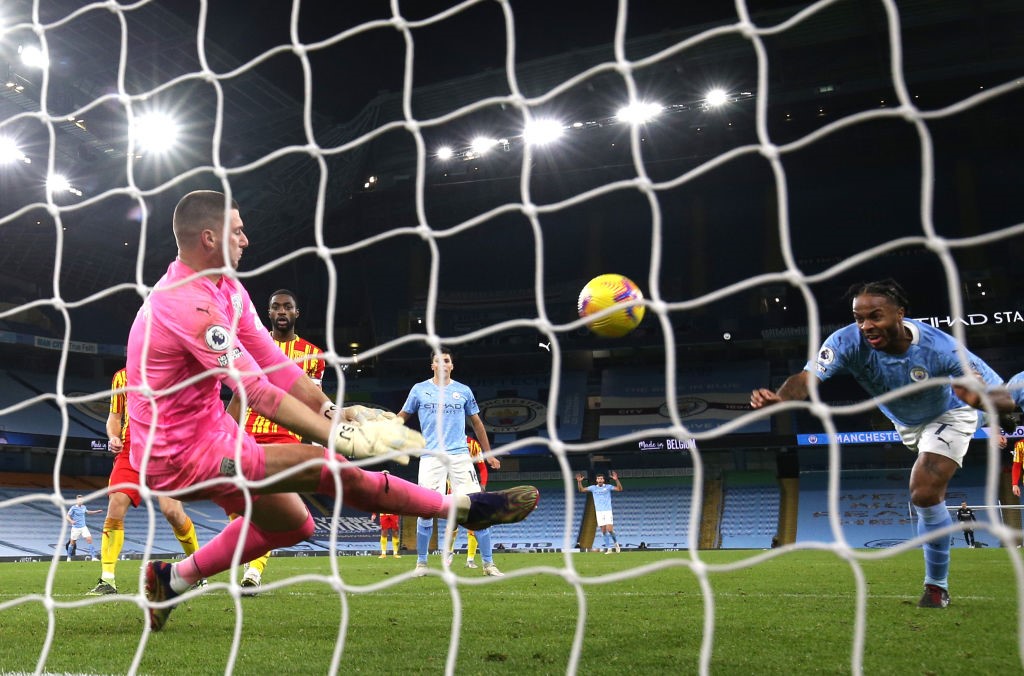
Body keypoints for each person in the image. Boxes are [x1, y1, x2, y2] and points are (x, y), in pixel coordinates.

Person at [128, 190, 539, 630]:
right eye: (237, 231)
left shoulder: (227, 288)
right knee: (325, 466)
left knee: (293, 527)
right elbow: (258, 394)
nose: (245, 239)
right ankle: (463, 508)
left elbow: (276, 364)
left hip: (215, 436)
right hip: (174, 456)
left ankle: (169, 580)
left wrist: (331, 411)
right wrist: (341, 439)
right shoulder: (186, 302)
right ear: (209, 238)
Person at [750, 279, 1013, 609]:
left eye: (875, 316)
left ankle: (936, 587)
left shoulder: (941, 348)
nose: (866, 326)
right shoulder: (846, 342)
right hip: (905, 421)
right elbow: (807, 379)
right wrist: (780, 397)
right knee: (925, 494)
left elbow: (995, 393)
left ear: (900, 314)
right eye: (859, 318)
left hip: (950, 413)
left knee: (924, 489)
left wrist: (987, 400)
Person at [225, 288, 326, 590]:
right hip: (248, 433)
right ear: (267, 313)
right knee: (236, 504)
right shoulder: (249, 347)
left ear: (297, 313)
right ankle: (246, 559)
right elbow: (239, 392)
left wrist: (317, 446)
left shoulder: (313, 356)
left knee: (269, 503)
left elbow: (314, 402)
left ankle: (253, 571)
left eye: (288, 307)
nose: (282, 312)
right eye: (276, 307)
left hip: (285, 437)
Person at [86, 367, 204, 595]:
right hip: (131, 448)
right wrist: (113, 437)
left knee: (172, 511)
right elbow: (115, 417)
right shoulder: (121, 376)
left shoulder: (173, 370)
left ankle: (197, 569)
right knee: (115, 505)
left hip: (166, 449)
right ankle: (107, 579)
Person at [398, 348, 504, 577]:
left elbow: (477, 424)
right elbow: (401, 417)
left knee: (476, 507)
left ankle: (488, 564)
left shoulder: (463, 391)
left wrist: (488, 454)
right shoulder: (419, 390)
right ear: (433, 366)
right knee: (424, 509)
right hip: (430, 457)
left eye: (447, 360)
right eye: (439, 361)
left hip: (459, 456)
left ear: (452, 366)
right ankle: (422, 564)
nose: (443, 364)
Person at [576, 471, 623, 553]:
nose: (600, 480)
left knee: (610, 529)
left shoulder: (608, 487)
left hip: (607, 511)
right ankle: (609, 549)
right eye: (598, 478)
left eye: (601, 478)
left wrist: (616, 480)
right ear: (596, 480)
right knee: (604, 531)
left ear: (603, 480)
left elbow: (619, 489)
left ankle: (616, 543)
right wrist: (579, 482)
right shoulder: (593, 488)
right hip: (599, 512)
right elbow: (581, 490)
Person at [65, 495, 103, 561]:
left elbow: (88, 512)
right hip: (76, 528)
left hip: (83, 527)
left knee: (89, 539)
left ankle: (93, 557)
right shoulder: (73, 508)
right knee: (72, 543)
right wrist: (71, 521)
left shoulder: (83, 507)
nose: (81, 501)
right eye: (79, 500)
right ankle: (68, 557)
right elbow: (67, 516)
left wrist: (96, 511)